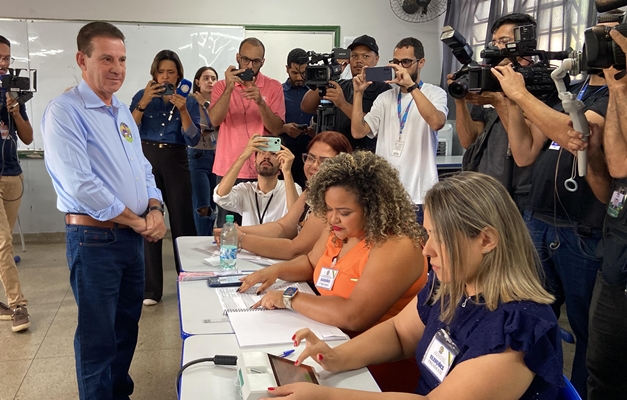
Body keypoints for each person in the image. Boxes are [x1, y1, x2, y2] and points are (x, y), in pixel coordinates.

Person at [262, 172, 564, 399]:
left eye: (439, 238)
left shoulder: (518, 328)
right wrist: (337, 357)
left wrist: (327, 396)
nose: (427, 250)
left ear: (486, 240)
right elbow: (398, 333)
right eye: (427, 234)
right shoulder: (450, 284)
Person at [41, 22, 166, 400]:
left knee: (127, 326)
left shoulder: (122, 111)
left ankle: (118, 394)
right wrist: (137, 219)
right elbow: (81, 185)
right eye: (106, 58)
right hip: (95, 237)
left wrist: (156, 207)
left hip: (131, 237)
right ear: (82, 60)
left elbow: (142, 168)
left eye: (123, 59)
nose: (117, 68)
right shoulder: (65, 112)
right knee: (98, 334)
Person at [490, 19, 612, 397]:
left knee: (585, 333)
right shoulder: (571, 88)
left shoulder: (615, 96)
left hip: (583, 231)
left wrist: (523, 96)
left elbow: (578, 137)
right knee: (528, 319)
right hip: (537, 220)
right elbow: (525, 152)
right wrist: (506, 101)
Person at [240, 151, 427, 392]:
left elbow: (354, 315)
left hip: (375, 363)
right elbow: (311, 263)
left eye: (344, 212)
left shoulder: (396, 246)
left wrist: (289, 298)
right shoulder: (338, 229)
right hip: (332, 342)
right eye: (328, 209)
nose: (333, 218)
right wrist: (275, 271)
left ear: (374, 208)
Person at [567, 26, 627, 400]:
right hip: (616, 263)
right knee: (600, 373)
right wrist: (619, 87)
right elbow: (619, 164)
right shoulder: (618, 92)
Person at [351, 37, 447, 225]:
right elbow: (358, 131)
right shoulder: (385, 97)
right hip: (384, 194)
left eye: (406, 62)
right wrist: (358, 93)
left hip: (419, 195)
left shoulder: (435, 93)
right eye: (395, 62)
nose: (399, 67)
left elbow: (436, 122)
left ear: (421, 63)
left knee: (417, 250)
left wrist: (411, 86)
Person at [130, 50, 200, 306]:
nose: (166, 76)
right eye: (162, 72)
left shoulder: (189, 100)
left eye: (171, 72)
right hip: (146, 159)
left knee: (183, 221)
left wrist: (183, 110)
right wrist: (143, 103)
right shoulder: (142, 96)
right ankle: (151, 290)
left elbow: (193, 138)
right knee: (149, 222)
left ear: (179, 74)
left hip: (176, 159)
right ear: (154, 74)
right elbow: (126, 131)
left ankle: (189, 280)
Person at [448, 13, 537, 212]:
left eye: (504, 41)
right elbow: (469, 141)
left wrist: (498, 101)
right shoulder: (490, 80)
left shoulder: (540, 83)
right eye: (494, 41)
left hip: (517, 195)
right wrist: (459, 101)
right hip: (484, 189)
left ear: (527, 43)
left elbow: (527, 142)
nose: (496, 47)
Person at [214, 131, 352, 260]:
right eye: (310, 158)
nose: (314, 165)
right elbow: (285, 227)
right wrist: (235, 231)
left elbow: (295, 249)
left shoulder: (334, 201)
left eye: (324, 161)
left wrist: (241, 238)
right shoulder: (311, 190)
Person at [209, 37, 285, 227]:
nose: (250, 65)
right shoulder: (220, 85)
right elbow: (214, 120)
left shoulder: (273, 86)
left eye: (256, 61)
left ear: (263, 62)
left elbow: (276, 128)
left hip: (263, 165)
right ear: (237, 57)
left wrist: (261, 102)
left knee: (261, 228)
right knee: (227, 229)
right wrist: (229, 88)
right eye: (245, 59)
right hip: (230, 166)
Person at [301, 35, 391, 151]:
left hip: (366, 157)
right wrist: (328, 75)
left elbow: (378, 126)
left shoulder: (384, 90)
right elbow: (306, 106)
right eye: (354, 56)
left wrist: (342, 103)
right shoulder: (341, 85)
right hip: (338, 155)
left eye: (366, 56)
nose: (359, 60)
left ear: (376, 59)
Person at [0, 34, 33, 332]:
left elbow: (28, 137)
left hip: (11, 172)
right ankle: (17, 305)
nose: (3, 63)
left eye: (7, 58)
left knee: (3, 241)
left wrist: (14, 110)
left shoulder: (11, 92)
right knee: (3, 242)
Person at [213, 135, 301, 226]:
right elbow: (220, 196)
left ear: (281, 162)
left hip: (278, 240)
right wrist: (243, 157)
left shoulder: (291, 187)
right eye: (261, 152)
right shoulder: (246, 189)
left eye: (273, 153)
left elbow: (296, 219)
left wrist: (286, 171)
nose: (266, 157)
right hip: (249, 240)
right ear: (254, 161)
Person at [188, 66, 219, 236]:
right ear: (197, 81)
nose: (210, 82)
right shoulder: (190, 101)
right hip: (197, 155)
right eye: (206, 78)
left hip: (217, 156)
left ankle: (210, 242)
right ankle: (202, 240)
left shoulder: (219, 101)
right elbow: (185, 128)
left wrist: (207, 105)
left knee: (215, 204)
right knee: (202, 206)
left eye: (213, 78)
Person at [281, 48, 315, 188]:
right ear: (287, 69)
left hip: (312, 152)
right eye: (294, 73)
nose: (299, 78)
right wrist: (284, 127)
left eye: (303, 73)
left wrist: (314, 131)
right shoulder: (278, 92)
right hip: (286, 150)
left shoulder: (316, 92)